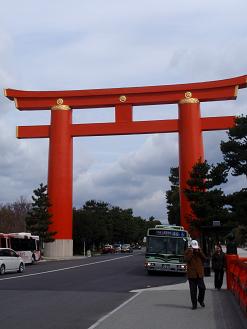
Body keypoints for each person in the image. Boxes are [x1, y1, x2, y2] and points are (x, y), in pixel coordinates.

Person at [184, 240, 207, 310]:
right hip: (191, 275)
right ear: (190, 246)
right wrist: (191, 252)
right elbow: (186, 259)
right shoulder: (187, 251)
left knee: (202, 288)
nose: (195, 249)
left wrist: (199, 251)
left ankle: (200, 300)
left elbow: (205, 259)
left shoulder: (199, 251)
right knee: (193, 291)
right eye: (194, 247)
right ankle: (194, 304)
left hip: (199, 274)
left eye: (195, 247)